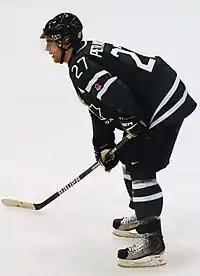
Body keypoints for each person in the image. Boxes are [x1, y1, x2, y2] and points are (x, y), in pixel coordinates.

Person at [40, 12, 197, 267]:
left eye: (51, 42)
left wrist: (131, 125)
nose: (48, 48)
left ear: (65, 42)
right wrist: (102, 144)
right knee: (130, 154)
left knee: (141, 166)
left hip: (162, 103)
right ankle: (141, 213)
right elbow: (99, 105)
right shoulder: (82, 57)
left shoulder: (82, 66)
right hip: (156, 96)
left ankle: (152, 241)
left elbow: (118, 96)